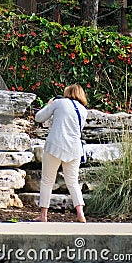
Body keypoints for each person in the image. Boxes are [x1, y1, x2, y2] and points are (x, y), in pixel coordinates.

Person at [34, 84, 88, 222]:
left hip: (55, 146)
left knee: (47, 180)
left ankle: (43, 215)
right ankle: (80, 213)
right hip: (74, 149)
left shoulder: (58, 103)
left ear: (67, 92)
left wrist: (49, 105)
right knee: (73, 182)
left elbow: (39, 118)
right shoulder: (83, 110)